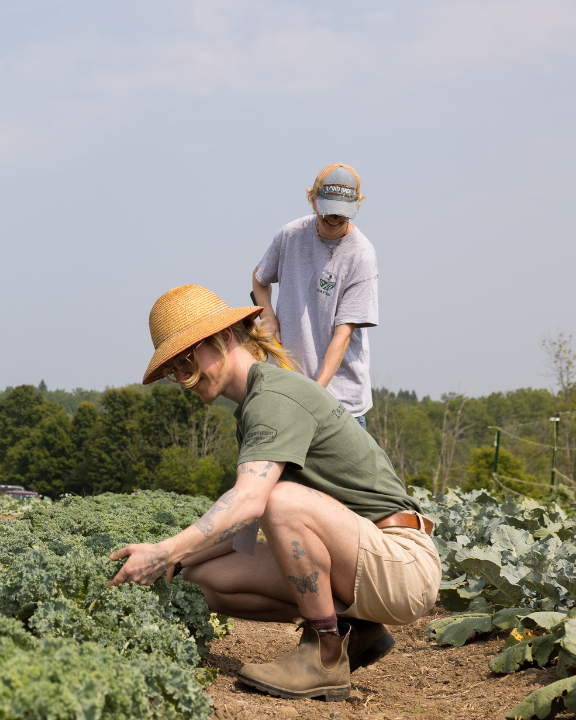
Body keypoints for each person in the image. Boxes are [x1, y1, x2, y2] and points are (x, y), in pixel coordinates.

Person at [107, 284, 438, 702]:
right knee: (201, 580)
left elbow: (251, 501)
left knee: (278, 499)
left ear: (224, 338)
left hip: (400, 562)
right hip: (360, 562)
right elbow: (242, 526)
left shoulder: (274, 397)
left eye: (187, 360)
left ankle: (324, 655)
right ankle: (354, 632)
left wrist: (164, 551)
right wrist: (173, 562)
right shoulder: (253, 407)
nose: (182, 378)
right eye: (173, 368)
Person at [251, 163, 377, 427]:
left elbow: (343, 335)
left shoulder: (362, 255)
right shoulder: (291, 235)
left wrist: (315, 394)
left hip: (339, 403)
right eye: (328, 210)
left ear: (356, 206)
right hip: (286, 386)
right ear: (313, 200)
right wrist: (268, 318)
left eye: (342, 213)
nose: (334, 217)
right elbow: (259, 278)